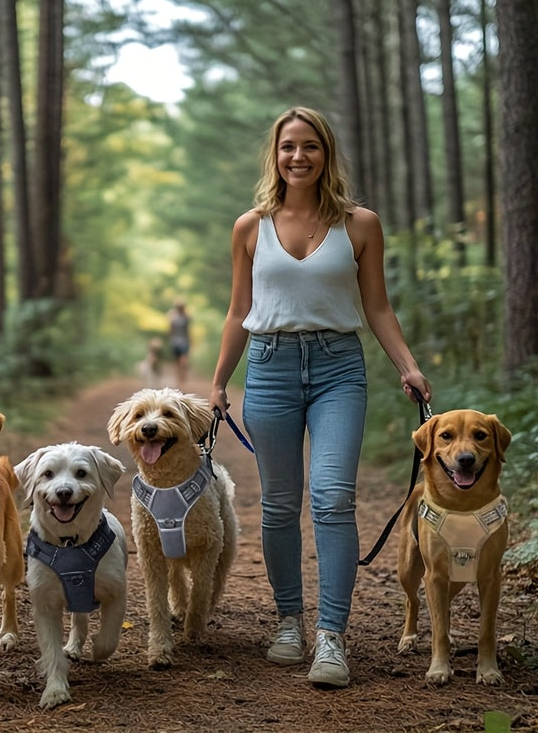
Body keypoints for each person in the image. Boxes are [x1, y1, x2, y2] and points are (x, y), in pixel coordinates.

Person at [208, 106, 431, 689]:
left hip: (338, 369)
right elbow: (238, 311)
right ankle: (289, 623)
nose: (298, 156)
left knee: (333, 497)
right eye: (288, 147)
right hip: (269, 368)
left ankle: (331, 636)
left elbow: (377, 307)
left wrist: (407, 367)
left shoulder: (359, 224)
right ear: (275, 156)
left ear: (326, 154)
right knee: (281, 505)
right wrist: (217, 384)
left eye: (310, 146)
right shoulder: (250, 226)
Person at [168, 299, 191, 386]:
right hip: (180, 340)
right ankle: (181, 376)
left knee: (180, 360)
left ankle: (181, 376)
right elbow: (187, 330)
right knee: (180, 359)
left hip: (179, 340)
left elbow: (171, 330)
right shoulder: (182, 317)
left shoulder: (175, 317)